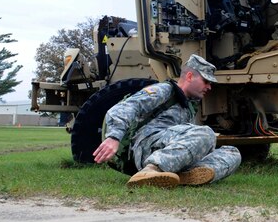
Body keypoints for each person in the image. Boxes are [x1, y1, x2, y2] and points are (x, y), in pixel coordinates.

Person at [93, 55, 241, 188]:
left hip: (167, 150)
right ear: (189, 76)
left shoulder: (188, 107)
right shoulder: (164, 90)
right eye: (206, 81)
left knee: (232, 152)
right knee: (206, 133)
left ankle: (181, 176)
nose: (209, 87)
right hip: (143, 147)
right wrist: (114, 137)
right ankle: (152, 170)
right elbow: (125, 108)